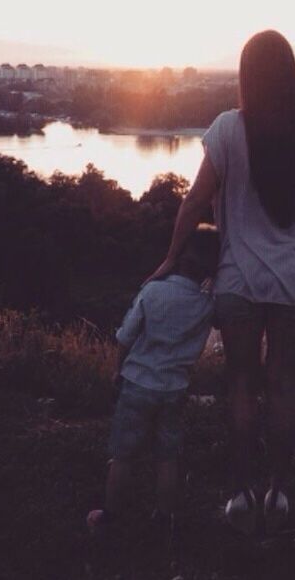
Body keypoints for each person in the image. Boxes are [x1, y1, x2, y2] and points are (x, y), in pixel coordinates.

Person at [146, 30, 295, 535]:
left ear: (246, 76)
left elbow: (192, 200)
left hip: (240, 282)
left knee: (242, 385)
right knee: (284, 387)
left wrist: (169, 259)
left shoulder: (229, 130)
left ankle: (242, 493)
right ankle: (278, 493)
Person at [86, 225, 220, 541]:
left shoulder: (153, 291)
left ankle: (110, 516)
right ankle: (165, 518)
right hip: (175, 388)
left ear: (178, 256)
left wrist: (118, 370)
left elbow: (126, 337)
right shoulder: (206, 305)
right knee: (167, 455)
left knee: (123, 454)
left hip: (137, 382)